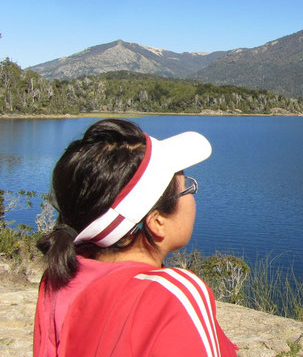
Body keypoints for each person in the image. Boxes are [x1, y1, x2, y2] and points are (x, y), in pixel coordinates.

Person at [33, 119, 238, 357]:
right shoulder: (170, 297)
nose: (193, 195)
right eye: (187, 187)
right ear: (157, 221)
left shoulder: (60, 277)